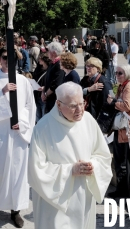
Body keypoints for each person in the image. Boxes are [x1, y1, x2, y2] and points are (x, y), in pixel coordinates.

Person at [28, 82, 112, 228]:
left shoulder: (88, 120)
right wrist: (70, 170)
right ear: (58, 104)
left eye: (82, 103)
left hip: (83, 196)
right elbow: (36, 170)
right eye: (73, 106)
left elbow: (102, 155)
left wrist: (94, 165)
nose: (80, 109)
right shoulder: (43, 128)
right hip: (55, 204)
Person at [0, 48, 36, 228]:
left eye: (12, 58)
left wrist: (22, 122)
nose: (7, 62)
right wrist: (1, 92)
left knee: (17, 170)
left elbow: (29, 106)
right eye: (4, 58)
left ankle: (15, 209)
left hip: (18, 132)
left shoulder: (23, 81)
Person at [106, 64, 130, 206]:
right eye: (116, 73)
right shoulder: (122, 86)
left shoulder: (129, 87)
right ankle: (122, 192)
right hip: (121, 130)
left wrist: (113, 102)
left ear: (127, 73)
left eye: (120, 73)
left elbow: (127, 106)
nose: (117, 75)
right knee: (120, 162)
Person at [42, 42, 65, 114]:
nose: (47, 53)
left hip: (54, 99)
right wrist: (43, 92)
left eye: (49, 51)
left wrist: (46, 94)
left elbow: (56, 83)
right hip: (49, 98)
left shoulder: (59, 64)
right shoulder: (52, 63)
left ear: (54, 53)